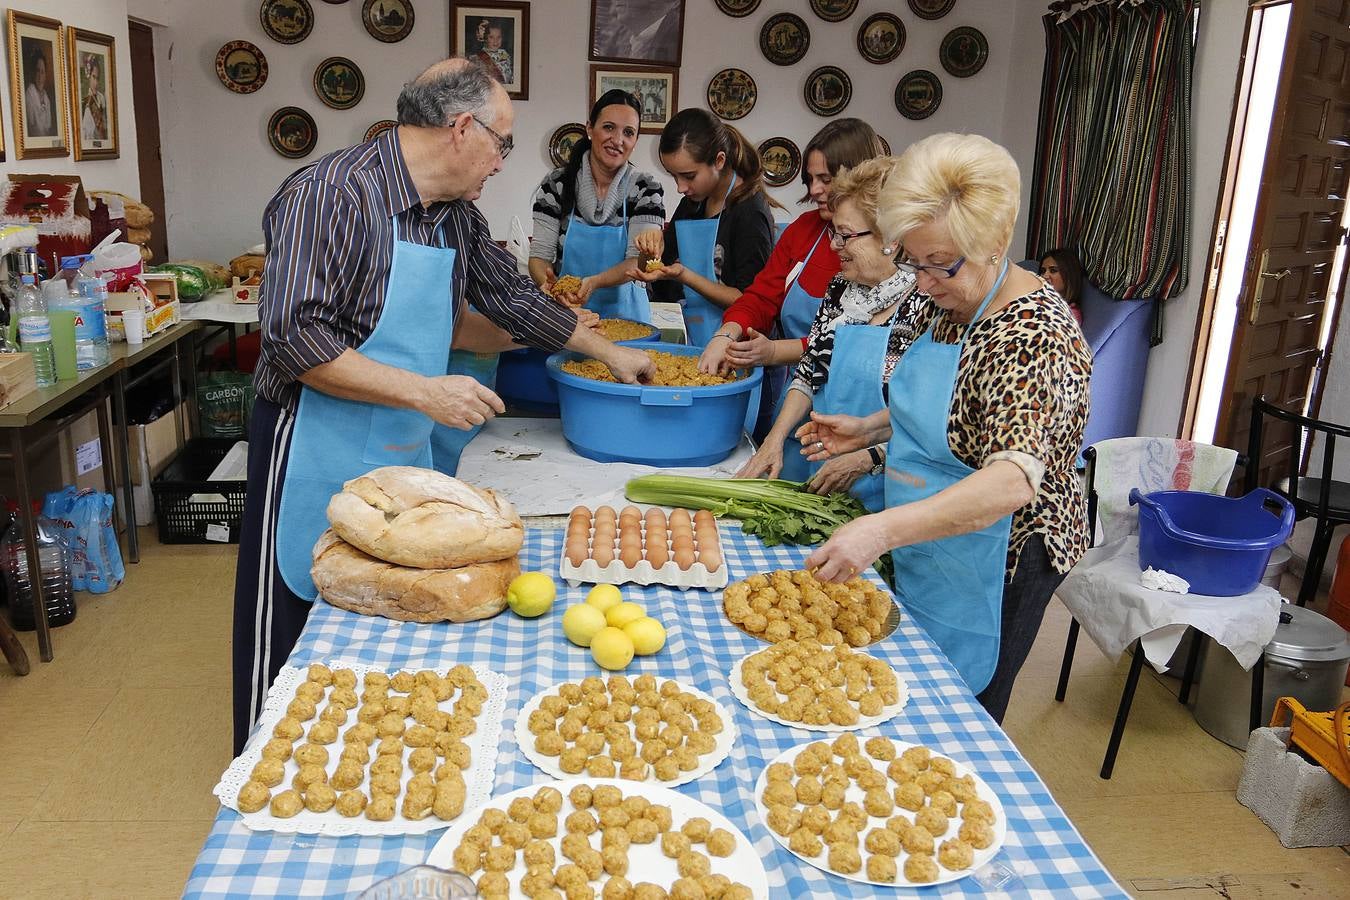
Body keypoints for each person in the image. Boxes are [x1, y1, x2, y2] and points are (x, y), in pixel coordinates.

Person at [232, 59, 656, 754]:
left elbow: (511, 298)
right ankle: (263, 763)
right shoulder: (330, 194)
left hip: (397, 438)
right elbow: (293, 340)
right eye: (503, 142)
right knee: (293, 606)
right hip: (312, 432)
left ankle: (361, 750)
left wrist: (611, 355)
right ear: (463, 128)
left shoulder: (454, 216)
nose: (502, 161)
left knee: (381, 598)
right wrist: (427, 391)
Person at [800, 133, 1092, 723]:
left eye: (940, 265)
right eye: (914, 261)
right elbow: (948, 403)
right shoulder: (948, 298)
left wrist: (880, 531)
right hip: (933, 532)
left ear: (997, 244)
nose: (924, 284)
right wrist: (869, 430)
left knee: (960, 712)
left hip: (1003, 552)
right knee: (905, 690)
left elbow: (1011, 480)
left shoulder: (1033, 337)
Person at [736, 158, 922, 512]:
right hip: (822, 464)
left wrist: (868, 455)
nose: (835, 245)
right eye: (835, 232)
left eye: (846, 235)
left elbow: (925, 415)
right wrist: (773, 441)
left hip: (889, 484)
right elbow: (809, 371)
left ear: (892, 239)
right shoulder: (840, 289)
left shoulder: (924, 303)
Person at [698, 118, 884, 457]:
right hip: (798, 399)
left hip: (857, 421)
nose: (813, 190)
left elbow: (843, 338)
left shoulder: (884, 259)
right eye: (810, 179)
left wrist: (774, 351)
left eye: (826, 180)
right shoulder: (803, 231)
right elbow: (761, 297)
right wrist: (726, 333)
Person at [630, 109, 779, 347]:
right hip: (688, 337)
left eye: (688, 176)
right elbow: (659, 270)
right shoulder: (692, 203)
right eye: (674, 176)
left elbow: (749, 299)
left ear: (719, 161)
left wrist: (686, 275)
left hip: (733, 346)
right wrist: (649, 250)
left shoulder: (750, 213)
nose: (680, 187)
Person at [529, 89, 665, 320]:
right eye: (608, 127)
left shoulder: (646, 189)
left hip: (629, 318)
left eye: (628, 132)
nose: (618, 140)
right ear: (590, 128)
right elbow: (539, 257)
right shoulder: (557, 184)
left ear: (635, 141)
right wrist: (551, 287)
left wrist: (594, 282)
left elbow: (638, 261)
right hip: (569, 315)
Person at [1039, 246, 1084, 323]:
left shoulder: (1071, 315)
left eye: (1053, 270)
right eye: (1043, 271)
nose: (1044, 275)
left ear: (1069, 275)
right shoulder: (1036, 300)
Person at [24, 49, 55, 137]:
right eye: (37, 71)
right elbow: (31, 127)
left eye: (42, 72)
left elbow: (48, 128)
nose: (40, 76)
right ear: (34, 72)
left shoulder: (46, 98)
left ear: (45, 75)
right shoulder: (29, 94)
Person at [80, 57, 109, 142]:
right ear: (89, 77)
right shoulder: (85, 102)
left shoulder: (102, 98)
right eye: (94, 77)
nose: (96, 82)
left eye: (97, 78)